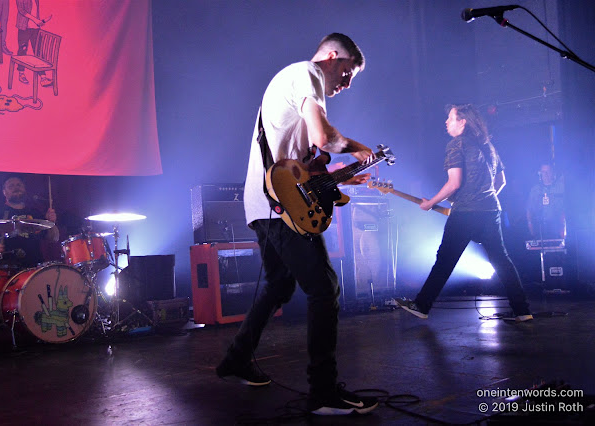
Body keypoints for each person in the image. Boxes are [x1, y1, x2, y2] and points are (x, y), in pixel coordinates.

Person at [216, 33, 379, 416]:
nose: (347, 83)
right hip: (279, 208)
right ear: (333, 56)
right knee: (325, 288)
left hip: (265, 204)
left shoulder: (291, 82)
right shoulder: (307, 73)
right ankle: (323, 391)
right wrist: (358, 147)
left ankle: (237, 358)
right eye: (348, 71)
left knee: (280, 284)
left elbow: (300, 166)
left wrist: (339, 175)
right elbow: (325, 136)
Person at [394, 104, 533, 322]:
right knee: (502, 260)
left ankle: (422, 305)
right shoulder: (489, 146)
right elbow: (501, 181)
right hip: (491, 211)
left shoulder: (456, 144)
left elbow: (454, 183)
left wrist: (430, 202)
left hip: (466, 213)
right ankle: (522, 310)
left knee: (445, 260)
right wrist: (482, 197)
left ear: (463, 122)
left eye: (450, 118)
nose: (446, 122)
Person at [0, 176, 59, 268]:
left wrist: (51, 222)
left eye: (19, 185)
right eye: (11, 186)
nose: (16, 188)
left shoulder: (34, 213)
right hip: (7, 269)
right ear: (4, 192)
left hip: (34, 268)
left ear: (24, 189)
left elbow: (52, 238)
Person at [526, 163, 566, 240]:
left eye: (548, 172)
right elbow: (529, 209)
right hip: (540, 227)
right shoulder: (535, 190)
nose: (545, 174)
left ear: (553, 172)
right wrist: (530, 225)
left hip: (558, 226)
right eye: (543, 172)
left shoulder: (561, 187)